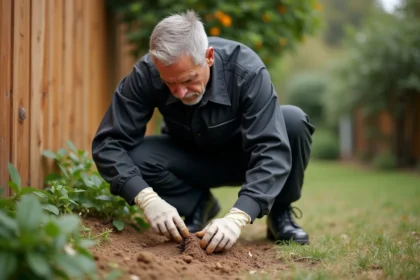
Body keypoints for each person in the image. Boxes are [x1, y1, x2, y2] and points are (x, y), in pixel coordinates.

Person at [92, 10, 315, 255]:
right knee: (136, 155)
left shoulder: (246, 69)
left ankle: (280, 212)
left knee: (292, 121)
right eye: (170, 84)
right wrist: (146, 198)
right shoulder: (146, 73)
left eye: (188, 80)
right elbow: (108, 143)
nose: (179, 92)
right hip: (189, 161)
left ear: (209, 57)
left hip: (245, 158)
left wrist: (238, 217)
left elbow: (270, 148)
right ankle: (198, 204)